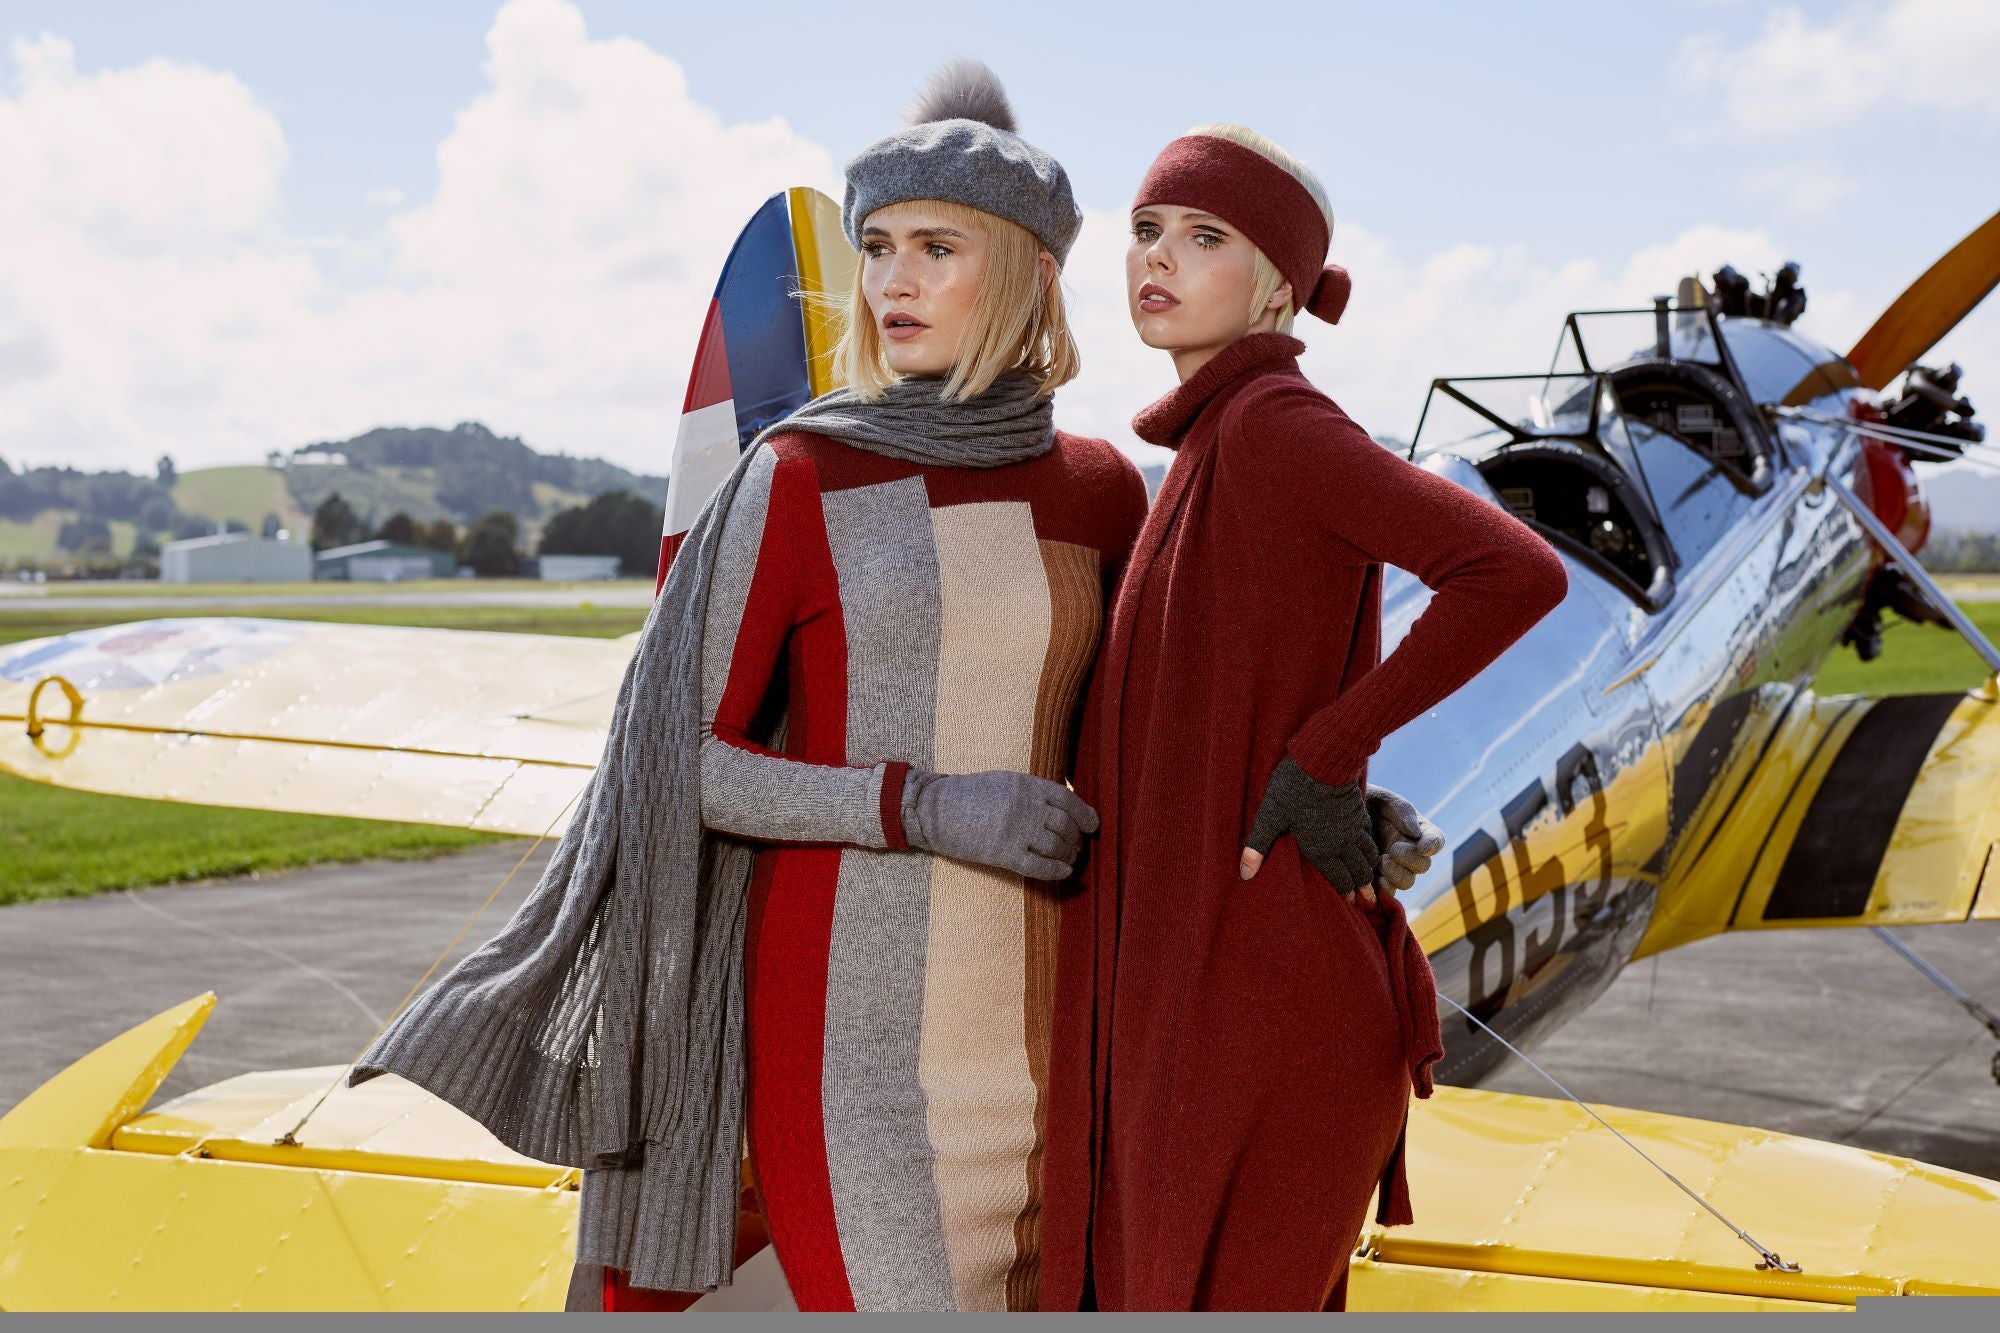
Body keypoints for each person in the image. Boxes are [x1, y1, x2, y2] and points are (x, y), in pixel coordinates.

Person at [350, 62, 1149, 1312]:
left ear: (1026, 271)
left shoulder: (1103, 489)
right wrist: (919, 806)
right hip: (847, 1045)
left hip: (1053, 1024)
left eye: (934, 248)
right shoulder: (802, 474)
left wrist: (1316, 789)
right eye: (875, 246)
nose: (890, 281)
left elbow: (1137, 738)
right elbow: (684, 764)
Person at [1039, 124, 1570, 1312]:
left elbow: (1511, 572)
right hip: (1205, 973)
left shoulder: (1274, 422)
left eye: (1204, 235)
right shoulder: (1205, 447)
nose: (1154, 259)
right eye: (1143, 230)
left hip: (1262, 985)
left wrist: (1323, 755)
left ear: (1279, 282)